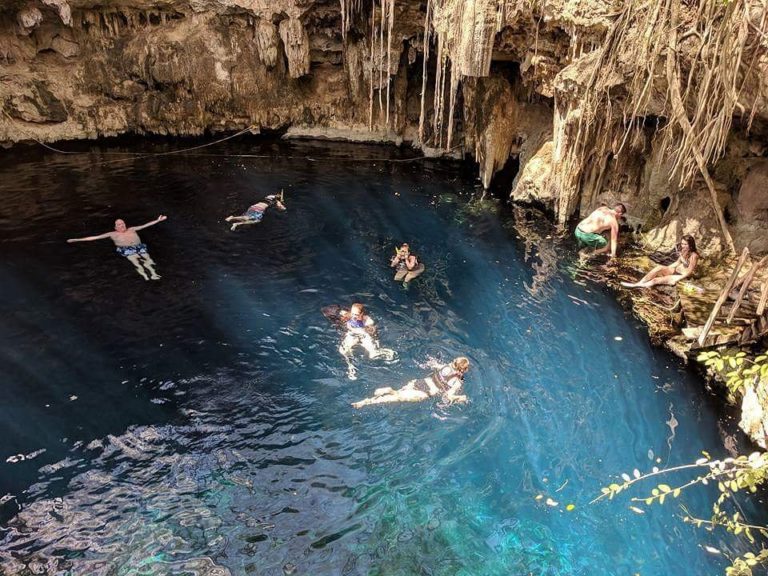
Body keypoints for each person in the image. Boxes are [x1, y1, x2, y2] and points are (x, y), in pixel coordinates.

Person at [67, 215, 167, 280]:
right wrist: (77, 240)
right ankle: (145, 275)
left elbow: (145, 225)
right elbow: (94, 238)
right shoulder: (112, 234)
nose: (121, 225)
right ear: (115, 227)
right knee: (135, 261)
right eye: (119, 224)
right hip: (126, 249)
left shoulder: (132, 229)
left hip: (139, 246)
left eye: (122, 223)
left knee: (147, 258)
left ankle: (153, 273)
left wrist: (158, 220)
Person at [352, 357, 470, 408]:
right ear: (463, 370)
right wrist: (461, 398)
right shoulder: (457, 382)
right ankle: (369, 401)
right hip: (425, 392)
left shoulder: (446, 366)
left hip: (419, 382)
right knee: (396, 397)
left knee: (398, 394)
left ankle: (370, 400)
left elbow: (433, 364)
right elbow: (448, 396)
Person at [338, 303, 395, 379]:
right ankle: (351, 367)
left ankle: (387, 352)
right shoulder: (348, 316)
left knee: (372, 355)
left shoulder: (368, 321)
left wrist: (377, 345)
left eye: (357, 314)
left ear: (362, 314)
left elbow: (374, 334)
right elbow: (340, 313)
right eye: (353, 314)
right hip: (352, 335)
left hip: (364, 336)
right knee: (343, 351)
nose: (354, 316)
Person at [621, 235, 699, 289]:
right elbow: (677, 262)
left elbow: (689, 271)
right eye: (682, 243)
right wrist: (666, 268)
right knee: (658, 268)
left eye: (685, 244)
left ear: (690, 245)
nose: (683, 246)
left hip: (681, 276)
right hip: (675, 271)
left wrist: (676, 279)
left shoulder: (694, 255)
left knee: (655, 280)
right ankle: (638, 283)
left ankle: (638, 286)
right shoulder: (683, 251)